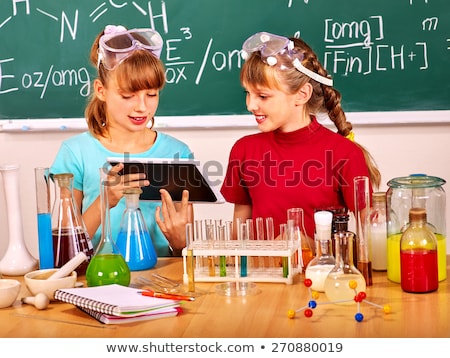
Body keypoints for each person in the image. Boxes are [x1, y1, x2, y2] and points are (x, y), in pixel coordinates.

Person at [220, 32, 381, 249]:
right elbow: (239, 231)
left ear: (302, 95)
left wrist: (309, 245)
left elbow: (369, 238)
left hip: (319, 277)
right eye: (247, 93)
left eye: (263, 96)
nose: (250, 105)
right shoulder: (244, 150)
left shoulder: (344, 153)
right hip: (263, 277)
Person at [51, 25, 193, 256]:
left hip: (159, 280)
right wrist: (104, 200)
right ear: (101, 90)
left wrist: (180, 242)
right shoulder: (75, 153)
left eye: (152, 94)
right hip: (96, 279)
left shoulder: (178, 153)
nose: (142, 107)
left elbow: (185, 252)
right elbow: (63, 249)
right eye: (128, 96)